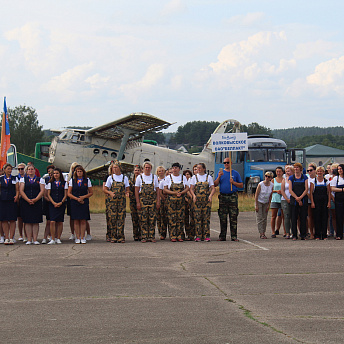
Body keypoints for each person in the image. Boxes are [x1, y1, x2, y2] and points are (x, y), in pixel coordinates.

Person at [214, 157, 243, 241]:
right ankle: (222, 236)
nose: (226, 164)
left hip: (232, 197)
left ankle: (234, 236)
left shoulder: (235, 173)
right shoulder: (221, 173)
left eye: (227, 162)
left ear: (231, 163)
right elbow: (215, 184)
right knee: (223, 217)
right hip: (223, 197)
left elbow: (241, 185)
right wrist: (219, 177)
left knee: (233, 217)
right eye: (225, 163)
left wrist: (233, 182)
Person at [19, 164, 45, 245]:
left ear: (35, 170)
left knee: (35, 221)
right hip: (26, 202)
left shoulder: (40, 179)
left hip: (36, 202)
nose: (30, 170)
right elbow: (21, 191)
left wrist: (36, 199)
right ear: (27, 171)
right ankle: (29, 239)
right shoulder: (23, 180)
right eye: (29, 169)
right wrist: (27, 199)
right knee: (27, 221)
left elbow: (42, 191)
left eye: (32, 169)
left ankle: (35, 239)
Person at [104, 161, 129, 243]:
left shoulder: (124, 178)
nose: (114, 169)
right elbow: (105, 189)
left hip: (121, 202)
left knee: (121, 219)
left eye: (116, 167)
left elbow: (127, 189)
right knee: (113, 218)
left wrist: (127, 193)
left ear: (119, 168)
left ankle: (121, 236)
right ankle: (113, 236)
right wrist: (110, 193)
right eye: (113, 168)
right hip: (112, 203)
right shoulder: (110, 178)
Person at [135, 162, 160, 243]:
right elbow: (136, 190)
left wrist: (158, 201)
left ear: (151, 169)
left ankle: (151, 236)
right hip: (143, 201)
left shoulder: (154, 177)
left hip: (152, 201)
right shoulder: (139, 177)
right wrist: (138, 202)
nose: (147, 169)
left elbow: (157, 190)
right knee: (143, 219)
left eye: (149, 167)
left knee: (152, 219)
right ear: (143, 168)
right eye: (146, 167)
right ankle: (144, 236)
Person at [67, 165, 93, 244]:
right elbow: (69, 193)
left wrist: (83, 197)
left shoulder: (87, 180)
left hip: (84, 202)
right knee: (76, 221)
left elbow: (91, 192)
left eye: (80, 171)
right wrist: (77, 199)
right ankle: (77, 237)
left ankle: (83, 237)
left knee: (83, 220)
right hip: (75, 202)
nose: (79, 173)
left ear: (83, 172)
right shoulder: (72, 180)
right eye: (78, 171)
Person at [189, 163, 215, 242]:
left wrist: (210, 196)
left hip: (206, 201)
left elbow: (213, 188)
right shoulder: (194, 177)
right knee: (197, 218)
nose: (199, 170)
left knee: (206, 218)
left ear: (204, 169)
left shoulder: (208, 177)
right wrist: (193, 196)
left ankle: (206, 235)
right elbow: (191, 188)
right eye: (197, 168)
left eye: (200, 168)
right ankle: (198, 235)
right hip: (197, 201)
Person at [164, 162, 189, 242]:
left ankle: (180, 235)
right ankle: (173, 235)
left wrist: (182, 193)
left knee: (180, 218)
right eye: (173, 168)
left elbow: (187, 187)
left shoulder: (183, 177)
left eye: (176, 168)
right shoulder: (168, 177)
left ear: (179, 169)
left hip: (181, 201)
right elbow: (165, 189)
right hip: (171, 202)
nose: (174, 169)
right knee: (172, 218)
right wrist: (174, 193)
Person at [46, 168, 68, 244]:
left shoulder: (64, 183)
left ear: (60, 174)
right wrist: (53, 203)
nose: (56, 175)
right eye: (54, 173)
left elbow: (65, 194)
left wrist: (61, 202)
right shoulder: (50, 183)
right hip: (52, 204)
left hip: (61, 203)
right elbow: (48, 194)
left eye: (57, 173)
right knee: (52, 221)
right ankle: (52, 238)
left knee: (60, 221)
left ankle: (58, 237)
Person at [0, 163, 19, 244]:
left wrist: (17, 196)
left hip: (12, 200)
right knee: (4, 219)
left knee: (12, 219)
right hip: (3, 200)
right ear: (4, 170)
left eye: (10, 169)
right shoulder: (0, 179)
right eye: (8, 169)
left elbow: (17, 189)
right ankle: (6, 237)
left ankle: (11, 237)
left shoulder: (15, 178)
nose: (10, 171)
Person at [310, 166, 331, 240]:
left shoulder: (326, 181)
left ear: (323, 172)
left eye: (321, 171)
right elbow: (311, 193)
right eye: (318, 171)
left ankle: (324, 235)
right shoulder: (313, 181)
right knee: (317, 218)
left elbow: (329, 192)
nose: (319, 173)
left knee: (324, 218)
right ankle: (317, 235)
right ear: (316, 172)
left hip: (324, 201)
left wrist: (329, 202)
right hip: (316, 201)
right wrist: (312, 202)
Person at [289, 163, 308, 240]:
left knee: (303, 217)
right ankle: (294, 235)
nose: (296, 169)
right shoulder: (291, 178)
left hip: (303, 198)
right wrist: (297, 198)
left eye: (297, 167)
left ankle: (303, 234)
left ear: (300, 169)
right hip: (294, 199)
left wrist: (300, 198)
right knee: (294, 217)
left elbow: (306, 189)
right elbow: (290, 190)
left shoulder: (305, 177)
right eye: (295, 167)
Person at [255, 171, 274, 239]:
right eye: (266, 176)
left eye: (268, 177)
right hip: (260, 201)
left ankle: (264, 231)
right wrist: (256, 205)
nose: (267, 178)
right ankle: (261, 233)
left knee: (264, 218)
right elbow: (256, 195)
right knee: (260, 217)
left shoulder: (271, 185)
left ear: (271, 178)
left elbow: (270, 196)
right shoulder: (260, 184)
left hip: (266, 202)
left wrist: (269, 205)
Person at [42, 165, 55, 244]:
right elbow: (45, 193)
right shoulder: (45, 180)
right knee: (48, 221)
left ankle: (54, 236)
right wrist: (50, 201)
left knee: (55, 221)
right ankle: (45, 237)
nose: (50, 173)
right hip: (48, 203)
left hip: (56, 203)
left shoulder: (58, 180)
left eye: (52, 171)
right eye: (49, 171)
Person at [129, 165, 142, 241]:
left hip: (141, 200)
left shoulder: (142, 179)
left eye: (138, 170)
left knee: (141, 218)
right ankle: (135, 234)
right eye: (136, 170)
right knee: (134, 218)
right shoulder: (130, 180)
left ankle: (141, 234)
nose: (137, 172)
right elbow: (128, 189)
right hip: (133, 202)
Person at [331, 164, 344, 240]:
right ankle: (339, 234)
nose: (340, 170)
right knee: (339, 216)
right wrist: (342, 190)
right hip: (339, 199)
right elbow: (332, 188)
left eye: (341, 169)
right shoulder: (336, 178)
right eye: (338, 169)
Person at [280, 165, 294, 239]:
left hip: (293, 199)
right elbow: (282, 190)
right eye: (286, 171)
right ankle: (287, 232)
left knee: (293, 216)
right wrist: (286, 198)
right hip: (285, 199)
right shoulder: (284, 180)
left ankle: (294, 232)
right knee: (287, 216)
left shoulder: (294, 179)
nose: (287, 173)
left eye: (289, 171)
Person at [270, 167, 284, 238]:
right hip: (275, 199)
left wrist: (282, 192)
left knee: (282, 216)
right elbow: (270, 190)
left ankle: (285, 231)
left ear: (282, 172)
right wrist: (276, 191)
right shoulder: (273, 180)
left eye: (279, 171)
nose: (278, 173)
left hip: (282, 199)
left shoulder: (284, 180)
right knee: (273, 216)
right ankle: (273, 231)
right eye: (277, 171)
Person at [156, 166, 168, 240]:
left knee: (165, 217)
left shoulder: (167, 179)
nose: (161, 172)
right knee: (158, 217)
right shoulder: (155, 180)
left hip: (166, 200)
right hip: (158, 200)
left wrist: (164, 199)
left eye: (162, 171)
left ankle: (165, 232)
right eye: (159, 171)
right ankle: (161, 233)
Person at [183, 169, 195, 240]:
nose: (186, 176)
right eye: (185, 175)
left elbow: (190, 189)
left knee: (192, 218)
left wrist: (191, 198)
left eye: (188, 174)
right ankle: (187, 233)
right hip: (185, 201)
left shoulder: (191, 180)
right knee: (185, 218)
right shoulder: (182, 181)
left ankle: (192, 233)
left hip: (192, 200)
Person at [16, 163, 26, 242]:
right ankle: (21, 234)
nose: (20, 170)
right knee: (19, 218)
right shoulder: (16, 178)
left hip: (25, 199)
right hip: (18, 200)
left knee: (25, 218)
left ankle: (27, 235)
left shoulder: (27, 178)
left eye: (22, 169)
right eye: (19, 169)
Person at [103, 164, 113, 242]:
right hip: (110, 200)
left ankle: (117, 234)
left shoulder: (122, 177)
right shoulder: (107, 177)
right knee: (109, 217)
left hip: (119, 200)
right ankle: (109, 234)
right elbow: (104, 189)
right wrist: (109, 193)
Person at [306, 163, 317, 239]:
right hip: (309, 199)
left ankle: (318, 232)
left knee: (317, 216)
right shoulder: (307, 179)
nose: (309, 172)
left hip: (318, 199)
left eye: (311, 170)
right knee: (310, 216)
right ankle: (311, 233)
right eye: (308, 170)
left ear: (314, 170)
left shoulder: (318, 178)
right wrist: (311, 199)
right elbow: (306, 190)